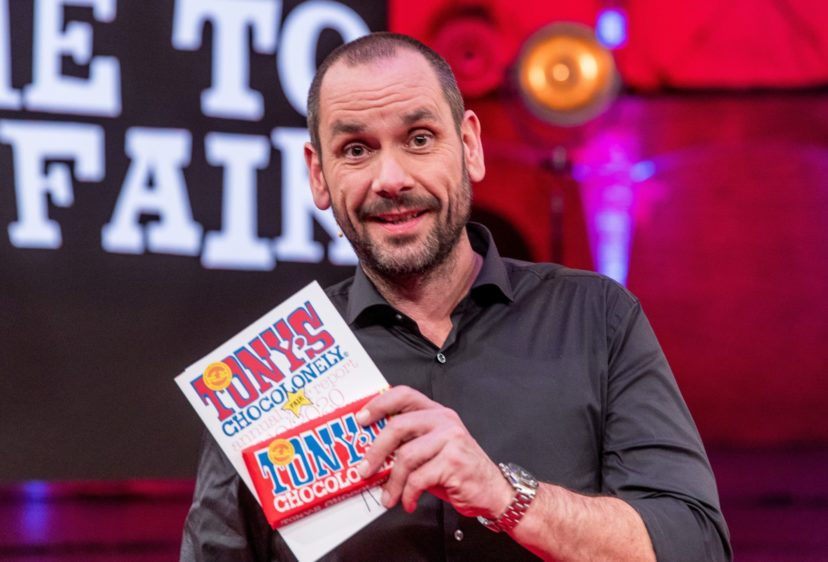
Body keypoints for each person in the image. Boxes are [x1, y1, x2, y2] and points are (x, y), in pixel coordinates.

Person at [180, 32, 731, 561]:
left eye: (419, 139)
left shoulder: (598, 318)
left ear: (469, 146)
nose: (390, 178)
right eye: (356, 149)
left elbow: (694, 545)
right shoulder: (268, 376)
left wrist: (506, 496)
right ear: (319, 175)